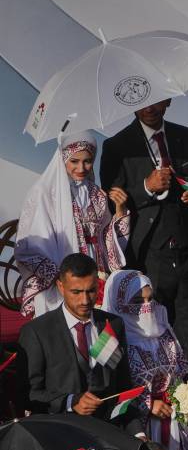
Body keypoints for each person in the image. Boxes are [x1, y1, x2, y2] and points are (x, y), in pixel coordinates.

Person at [99, 98, 188, 385]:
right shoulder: (116, 146)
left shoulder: (184, 136)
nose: (150, 108)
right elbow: (109, 202)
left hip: (185, 248)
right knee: (149, 329)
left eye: (156, 102)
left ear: (167, 100)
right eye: (143, 103)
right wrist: (146, 187)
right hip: (145, 254)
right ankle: (157, 394)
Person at [15, 253, 143, 434]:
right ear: (61, 287)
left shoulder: (113, 324)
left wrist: (138, 434)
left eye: (91, 291)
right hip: (60, 435)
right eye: (76, 292)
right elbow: (27, 395)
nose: (85, 300)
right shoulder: (37, 332)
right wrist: (70, 401)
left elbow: (123, 386)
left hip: (108, 433)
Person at [101, 269, 188, 450]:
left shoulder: (163, 330)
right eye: (137, 301)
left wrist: (183, 398)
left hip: (170, 427)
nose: (146, 307)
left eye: (149, 299)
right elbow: (106, 390)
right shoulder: (108, 338)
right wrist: (147, 405)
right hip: (135, 430)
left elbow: (178, 372)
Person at [14, 130, 128, 317]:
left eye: (87, 161)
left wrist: (120, 210)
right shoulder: (44, 193)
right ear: (63, 159)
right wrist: (61, 276)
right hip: (60, 271)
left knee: (96, 321)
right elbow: (28, 245)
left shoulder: (97, 194)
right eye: (74, 161)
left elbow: (106, 234)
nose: (81, 168)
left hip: (95, 267)